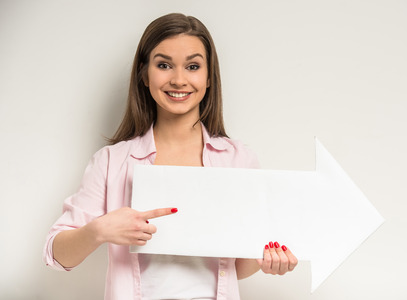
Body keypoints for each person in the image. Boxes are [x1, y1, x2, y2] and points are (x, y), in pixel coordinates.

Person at [43, 13, 298, 300]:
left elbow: (232, 267)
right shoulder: (111, 162)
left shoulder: (239, 160)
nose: (179, 80)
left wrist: (268, 261)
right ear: (144, 74)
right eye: (164, 65)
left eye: (192, 66)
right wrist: (99, 230)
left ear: (209, 76)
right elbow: (56, 254)